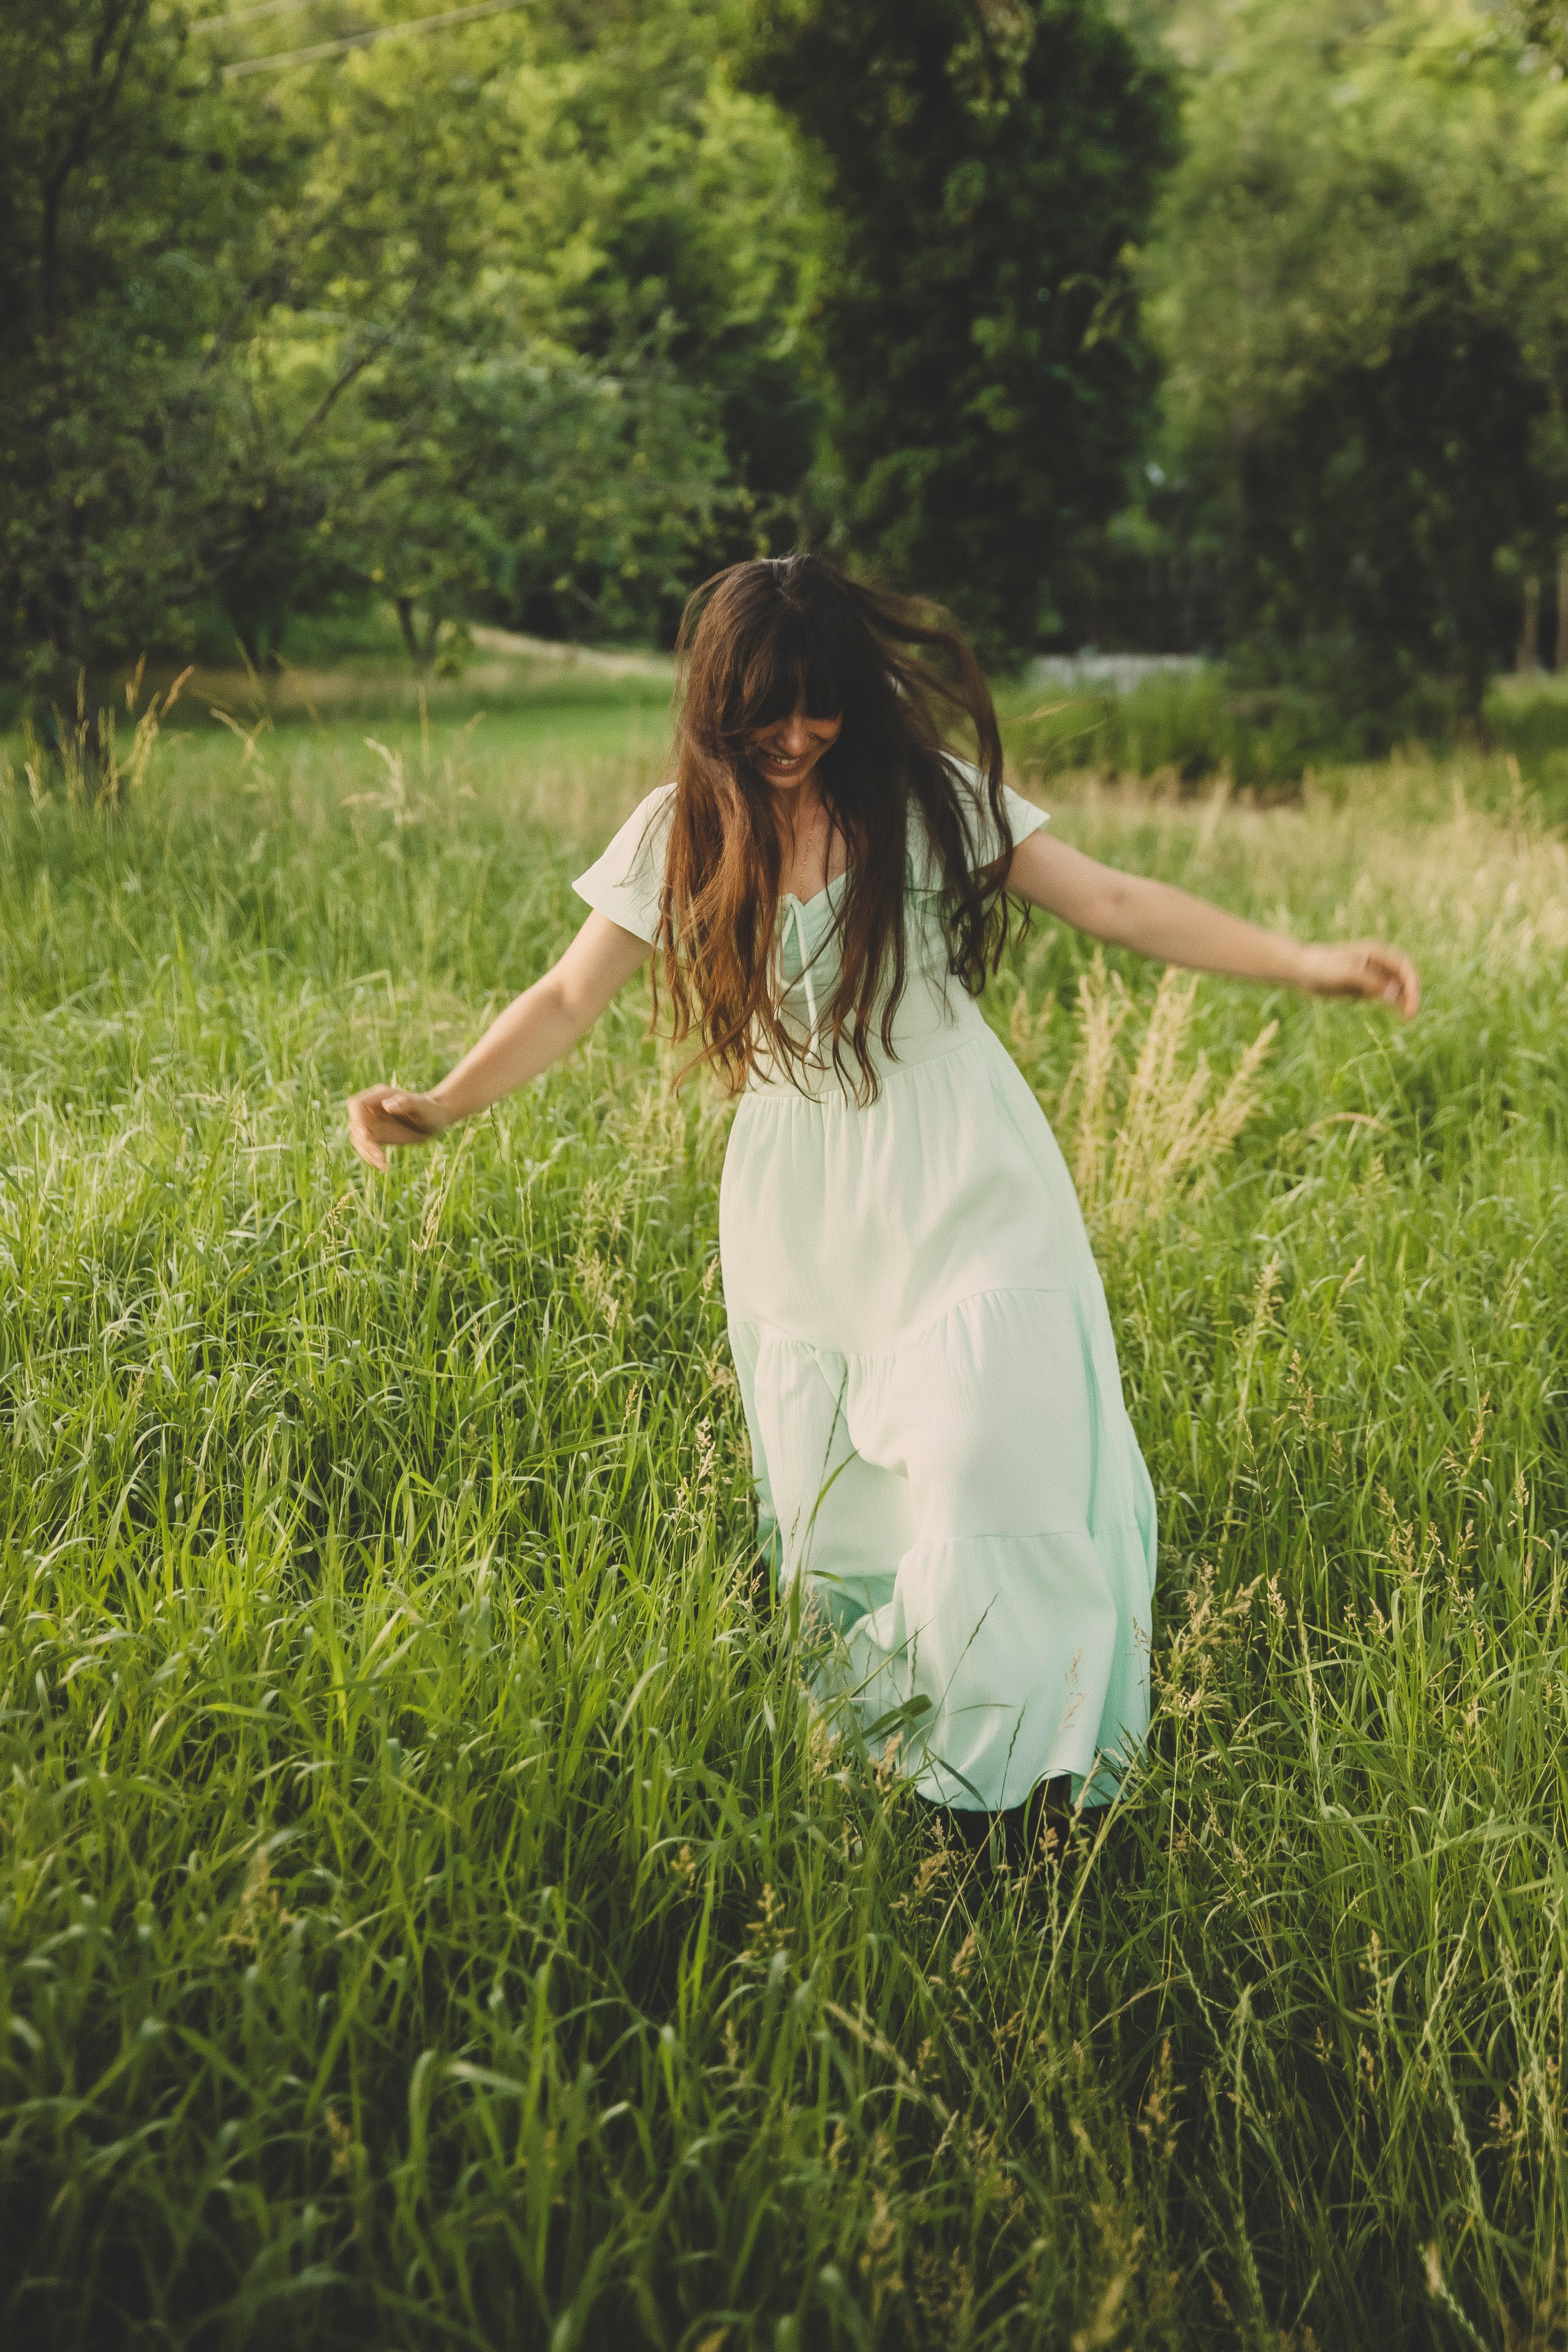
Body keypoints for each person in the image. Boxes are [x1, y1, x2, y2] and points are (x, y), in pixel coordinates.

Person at [348, 555, 1419, 1861]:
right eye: (764, 712)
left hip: (962, 1164)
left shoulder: (923, 802)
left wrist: (1304, 964)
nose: (794, 737)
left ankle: (1029, 1762)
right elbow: (568, 998)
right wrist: (444, 1104)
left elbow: (1114, 902)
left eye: (819, 707)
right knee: (850, 1495)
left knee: (981, 1445)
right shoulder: (677, 827)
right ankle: (925, 1765)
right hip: (804, 1201)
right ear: (714, 705)